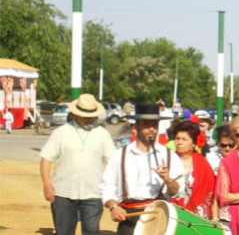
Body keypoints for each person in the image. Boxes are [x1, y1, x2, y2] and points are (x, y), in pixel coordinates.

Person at [100, 103, 184, 235]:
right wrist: (113, 207)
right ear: (136, 127)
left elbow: (177, 192)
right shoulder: (120, 155)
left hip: (158, 217)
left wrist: (168, 180)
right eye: (146, 124)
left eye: (154, 125)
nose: (151, 129)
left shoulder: (169, 156)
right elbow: (106, 186)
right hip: (128, 217)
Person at [39, 94, 116, 235]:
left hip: (93, 193)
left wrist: (112, 189)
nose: (89, 119)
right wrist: (47, 185)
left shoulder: (102, 134)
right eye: (86, 116)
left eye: (92, 116)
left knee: (91, 231)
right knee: (64, 232)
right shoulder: (61, 133)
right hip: (63, 193)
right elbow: (46, 159)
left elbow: (113, 163)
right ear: (76, 114)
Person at [169, 120, 215, 219]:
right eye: (177, 139)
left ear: (193, 144)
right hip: (173, 212)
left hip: (197, 214)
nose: (179, 142)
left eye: (184, 139)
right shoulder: (169, 159)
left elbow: (210, 190)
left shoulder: (202, 164)